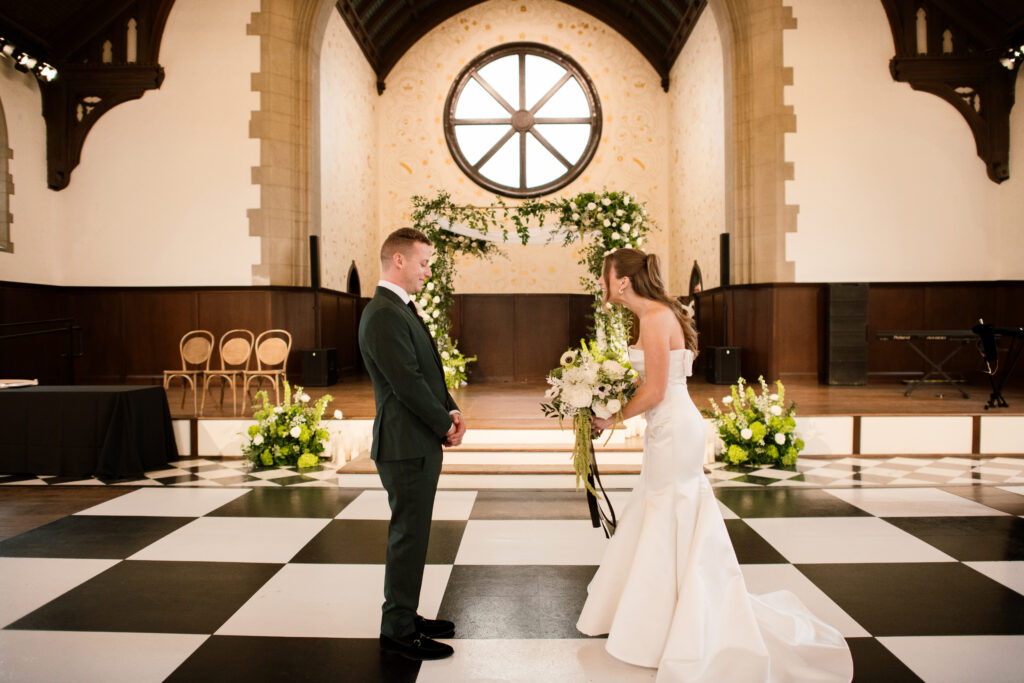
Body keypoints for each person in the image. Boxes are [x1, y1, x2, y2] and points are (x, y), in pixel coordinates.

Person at [577, 248, 853, 682]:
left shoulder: (653, 318)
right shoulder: (651, 315)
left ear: (623, 281)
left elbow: (654, 393)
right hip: (667, 429)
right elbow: (650, 381)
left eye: (603, 274)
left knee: (672, 514)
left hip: (673, 429)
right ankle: (664, 616)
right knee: (663, 514)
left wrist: (611, 416)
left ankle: (682, 621)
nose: (600, 282)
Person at [358, 227, 466, 661]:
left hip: (416, 439)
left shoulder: (399, 309)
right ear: (398, 261)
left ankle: (405, 613)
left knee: (416, 534)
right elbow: (406, 383)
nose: (428, 270)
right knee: (408, 535)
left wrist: (451, 409)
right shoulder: (384, 313)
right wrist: (443, 424)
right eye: (423, 262)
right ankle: (398, 628)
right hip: (405, 443)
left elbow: (426, 372)